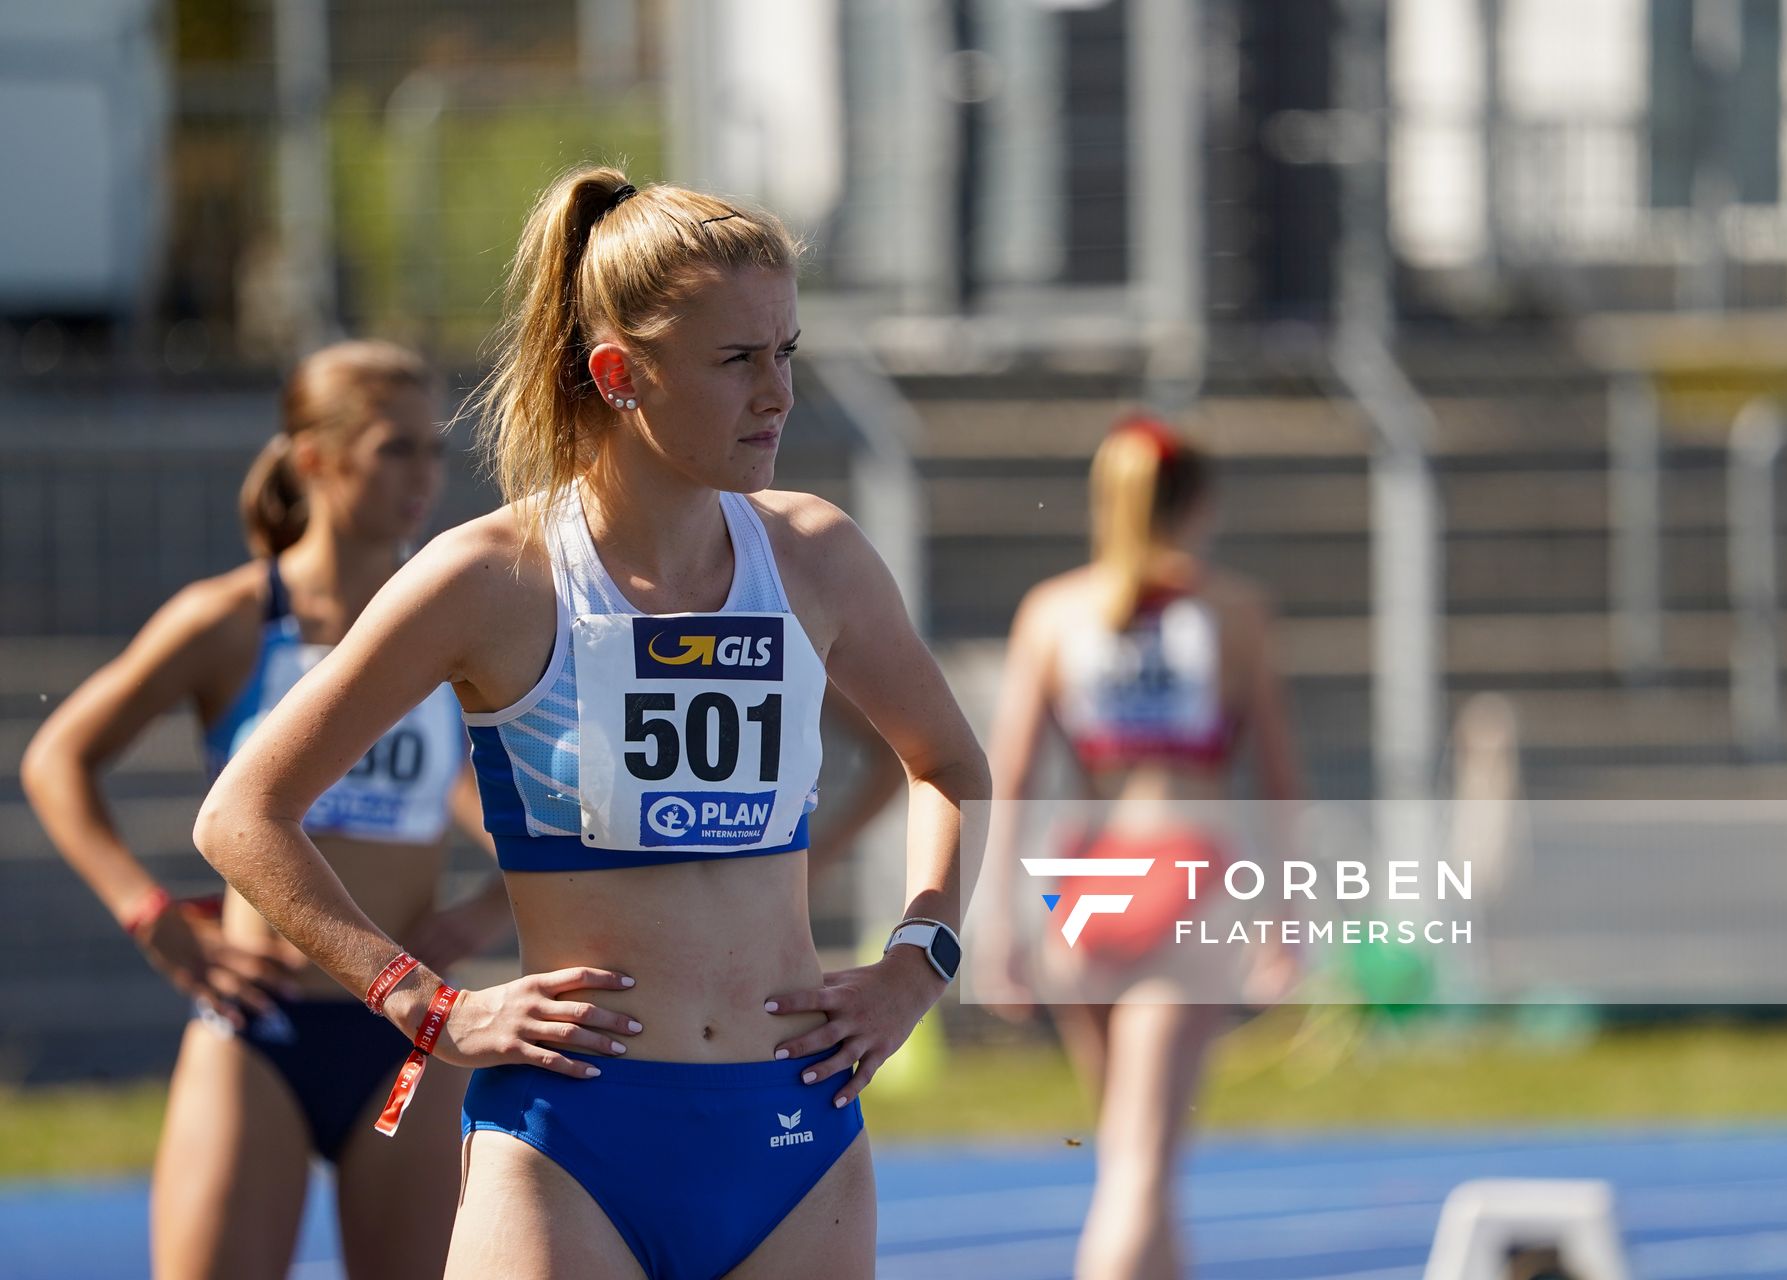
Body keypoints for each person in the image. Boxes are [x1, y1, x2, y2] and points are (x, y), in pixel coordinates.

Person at [193, 170, 988, 1280]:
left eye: (787, 352)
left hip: (794, 1132)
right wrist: (423, 1002)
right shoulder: (491, 578)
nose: (779, 394)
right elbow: (243, 813)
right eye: (737, 360)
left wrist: (919, 961)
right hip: (571, 1145)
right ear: (619, 374)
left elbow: (951, 764)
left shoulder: (815, 555)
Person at [20, 339, 515, 1280]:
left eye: (432, 449)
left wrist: (488, 909)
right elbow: (58, 759)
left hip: (406, 1031)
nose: (423, 477)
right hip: (261, 1026)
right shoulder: (232, 619)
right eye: (392, 449)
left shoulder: (455, 622)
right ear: (313, 458)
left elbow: (523, 812)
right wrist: (147, 912)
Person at [979, 416, 1301, 1280]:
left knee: (1133, 1151)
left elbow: (1006, 779)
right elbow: (1276, 780)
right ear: (1198, 505)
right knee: (1141, 1168)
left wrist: (1002, 924)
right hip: (1188, 870)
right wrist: (1286, 916)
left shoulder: (1051, 611)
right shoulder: (1230, 611)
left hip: (1083, 884)